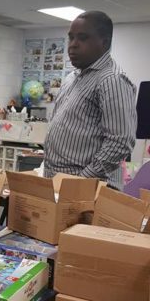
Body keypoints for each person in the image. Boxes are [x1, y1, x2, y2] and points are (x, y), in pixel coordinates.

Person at [44, 11, 137, 189]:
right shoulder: (72, 77)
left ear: (105, 42)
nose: (73, 45)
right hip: (58, 181)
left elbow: (120, 142)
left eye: (83, 38)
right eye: (71, 38)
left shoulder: (112, 80)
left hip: (87, 187)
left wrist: (81, 180)